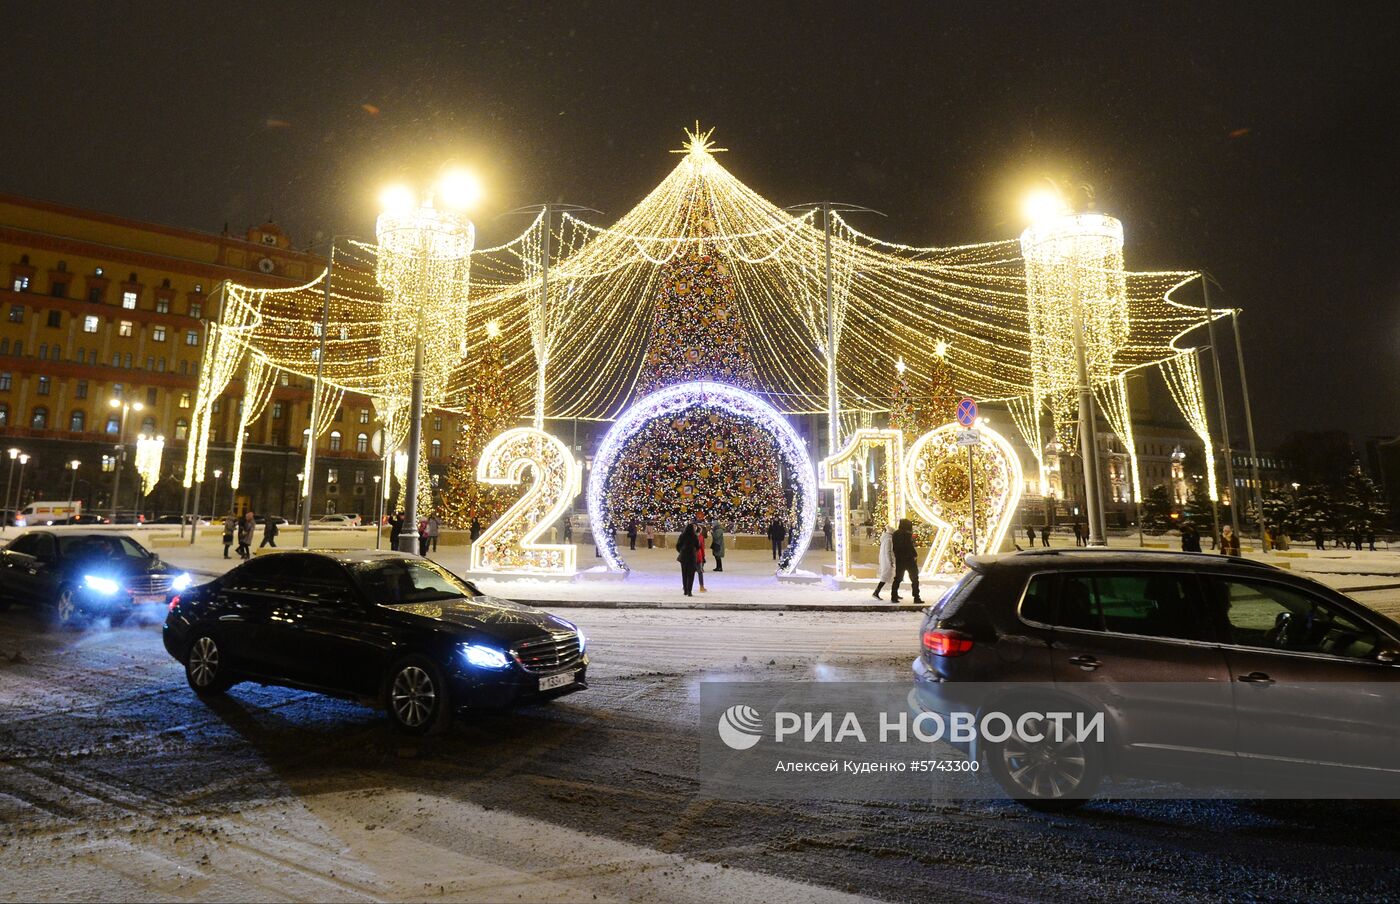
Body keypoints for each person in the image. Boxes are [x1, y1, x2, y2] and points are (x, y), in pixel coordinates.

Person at [889, 517, 921, 605]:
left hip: (900, 560)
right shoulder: (906, 534)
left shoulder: (895, 534)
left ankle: (894, 596)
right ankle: (916, 597)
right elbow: (909, 546)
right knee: (914, 579)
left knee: (898, 578)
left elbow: (896, 548)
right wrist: (914, 555)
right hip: (909, 559)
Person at [871, 524, 895, 601]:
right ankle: (876, 592)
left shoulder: (885, 539)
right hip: (887, 562)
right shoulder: (889, 540)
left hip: (884, 561)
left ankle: (895, 593)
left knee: (891, 577)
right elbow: (888, 552)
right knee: (885, 577)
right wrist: (891, 561)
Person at [676, 523, 700, 596]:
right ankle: (689, 591)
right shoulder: (694, 536)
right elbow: (698, 546)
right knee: (691, 574)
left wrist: (681, 551)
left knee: (684, 574)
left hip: (683, 557)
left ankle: (685, 590)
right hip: (691, 557)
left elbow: (678, 545)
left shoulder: (682, 536)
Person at [695, 521, 708, 593]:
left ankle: (685, 586)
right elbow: (702, 547)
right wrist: (703, 556)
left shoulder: (691, 536)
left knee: (689, 572)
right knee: (700, 572)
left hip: (691, 556)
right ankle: (701, 586)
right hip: (698, 556)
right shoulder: (700, 537)